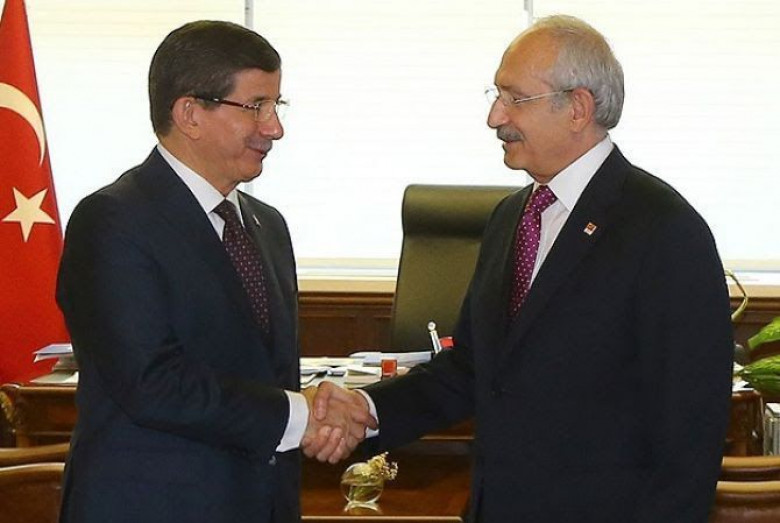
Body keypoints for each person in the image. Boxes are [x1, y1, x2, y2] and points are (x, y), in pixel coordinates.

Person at [312, 14, 734, 523]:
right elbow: (473, 369)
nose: (495, 117)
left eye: (515, 98)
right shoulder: (511, 217)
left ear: (577, 108)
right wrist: (369, 409)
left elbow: (691, 431)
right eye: (496, 96)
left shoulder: (663, 229)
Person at [56, 20, 374, 523]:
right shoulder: (113, 221)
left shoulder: (268, 226)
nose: (274, 128)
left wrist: (318, 413)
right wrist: (300, 414)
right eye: (256, 106)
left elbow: (265, 371)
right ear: (190, 114)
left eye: (277, 105)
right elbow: (152, 383)